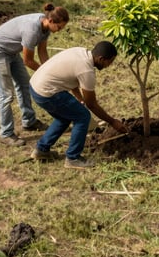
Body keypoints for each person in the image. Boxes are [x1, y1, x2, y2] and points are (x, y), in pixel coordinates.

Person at [30, 41, 128, 170]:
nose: (109, 66)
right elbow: (92, 105)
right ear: (101, 59)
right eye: (109, 62)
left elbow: (72, 79)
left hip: (35, 86)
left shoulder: (80, 52)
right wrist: (112, 122)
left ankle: (41, 150)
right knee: (82, 116)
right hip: (47, 93)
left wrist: (80, 99)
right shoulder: (87, 71)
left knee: (64, 117)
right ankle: (73, 158)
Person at [0, 4, 69, 147]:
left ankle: (29, 121)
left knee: (24, 85)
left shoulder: (45, 28)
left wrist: (48, 70)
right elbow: (28, 61)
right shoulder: (32, 30)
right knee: (6, 95)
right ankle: (6, 133)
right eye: (59, 27)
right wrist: (44, 72)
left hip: (11, 52)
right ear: (51, 21)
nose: (59, 31)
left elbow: (42, 51)